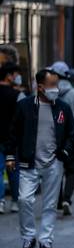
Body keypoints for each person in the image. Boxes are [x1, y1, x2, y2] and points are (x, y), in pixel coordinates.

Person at [5, 68, 74, 248]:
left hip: (54, 162)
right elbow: (12, 134)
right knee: (24, 200)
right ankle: (29, 237)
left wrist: (65, 151)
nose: (56, 88)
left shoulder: (63, 107)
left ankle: (46, 240)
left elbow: (72, 133)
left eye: (57, 84)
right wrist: (10, 155)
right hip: (28, 163)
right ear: (41, 86)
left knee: (50, 204)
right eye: (52, 84)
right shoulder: (25, 106)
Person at [49, 61, 74, 216]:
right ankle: (67, 200)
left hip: (52, 137)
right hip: (72, 137)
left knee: (55, 170)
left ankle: (57, 202)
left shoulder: (49, 91)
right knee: (71, 170)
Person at [0, 62, 22, 214]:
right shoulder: (17, 95)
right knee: (14, 170)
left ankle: (0, 202)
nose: (17, 77)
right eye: (15, 74)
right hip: (12, 138)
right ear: (9, 76)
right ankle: (15, 201)